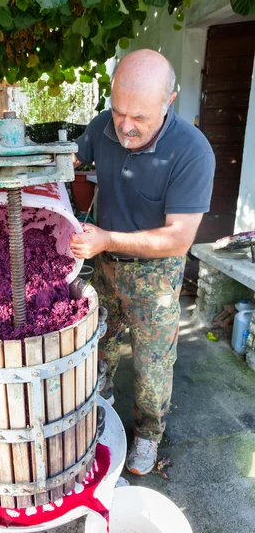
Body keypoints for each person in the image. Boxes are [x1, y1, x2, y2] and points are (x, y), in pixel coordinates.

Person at [69, 49, 215, 475]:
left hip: (156, 272)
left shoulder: (192, 153)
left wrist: (107, 238)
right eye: (118, 112)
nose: (126, 126)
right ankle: (101, 397)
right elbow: (69, 159)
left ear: (169, 101)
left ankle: (149, 434)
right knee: (99, 340)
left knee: (152, 362)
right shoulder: (106, 126)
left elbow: (179, 238)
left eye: (140, 118)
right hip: (105, 261)